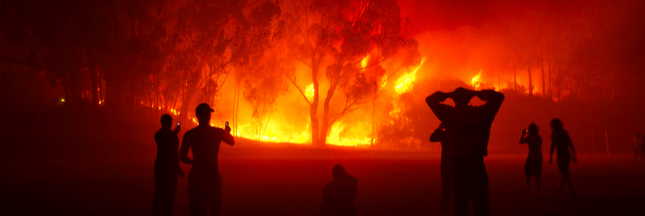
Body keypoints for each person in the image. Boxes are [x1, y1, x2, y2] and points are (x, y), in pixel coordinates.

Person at [426, 87, 504, 216]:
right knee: (481, 207)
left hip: (458, 167)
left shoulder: (450, 116)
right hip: (477, 165)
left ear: (455, 100)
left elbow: (430, 100)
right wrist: (475, 93)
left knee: (460, 207)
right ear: (468, 99)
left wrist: (449, 94)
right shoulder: (482, 114)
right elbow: (499, 97)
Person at [180, 103, 234, 216]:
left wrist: (194, 162)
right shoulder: (218, 132)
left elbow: (182, 157)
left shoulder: (190, 134)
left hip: (196, 175)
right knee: (215, 210)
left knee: (197, 211)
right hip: (212, 176)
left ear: (197, 116)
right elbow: (231, 142)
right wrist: (227, 132)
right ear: (209, 116)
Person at [153, 114, 185, 216]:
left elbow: (165, 142)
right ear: (170, 123)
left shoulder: (158, 134)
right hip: (171, 168)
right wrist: (179, 169)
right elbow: (174, 153)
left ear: (161, 122)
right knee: (170, 193)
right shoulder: (173, 137)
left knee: (159, 191)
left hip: (160, 166)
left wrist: (174, 133)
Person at [548, 118, 577, 197]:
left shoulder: (554, 134)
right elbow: (570, 144)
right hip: (567, 154)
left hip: (560, 155)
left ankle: (572, 190)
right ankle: (560, 189)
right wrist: (574, 155)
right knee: (563, 172)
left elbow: (552, 146)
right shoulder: (564, 133)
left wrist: (550, 157)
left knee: (563, 173)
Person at [429, 123, 452, 213]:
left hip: (446, 163)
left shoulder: (444, 135)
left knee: (446, 189)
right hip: (455, 163)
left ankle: (443, 210)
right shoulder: (455, 133)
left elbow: (432, 138)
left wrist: (439, 128)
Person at [520, 123, 543, 196]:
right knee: (537, 175)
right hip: (539, 157)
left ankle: (528, 189)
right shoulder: (539, 137)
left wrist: (523, 134)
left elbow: (521, 142)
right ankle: (538, 192)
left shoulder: (529, 138)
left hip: (531, 157)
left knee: (527, 173)